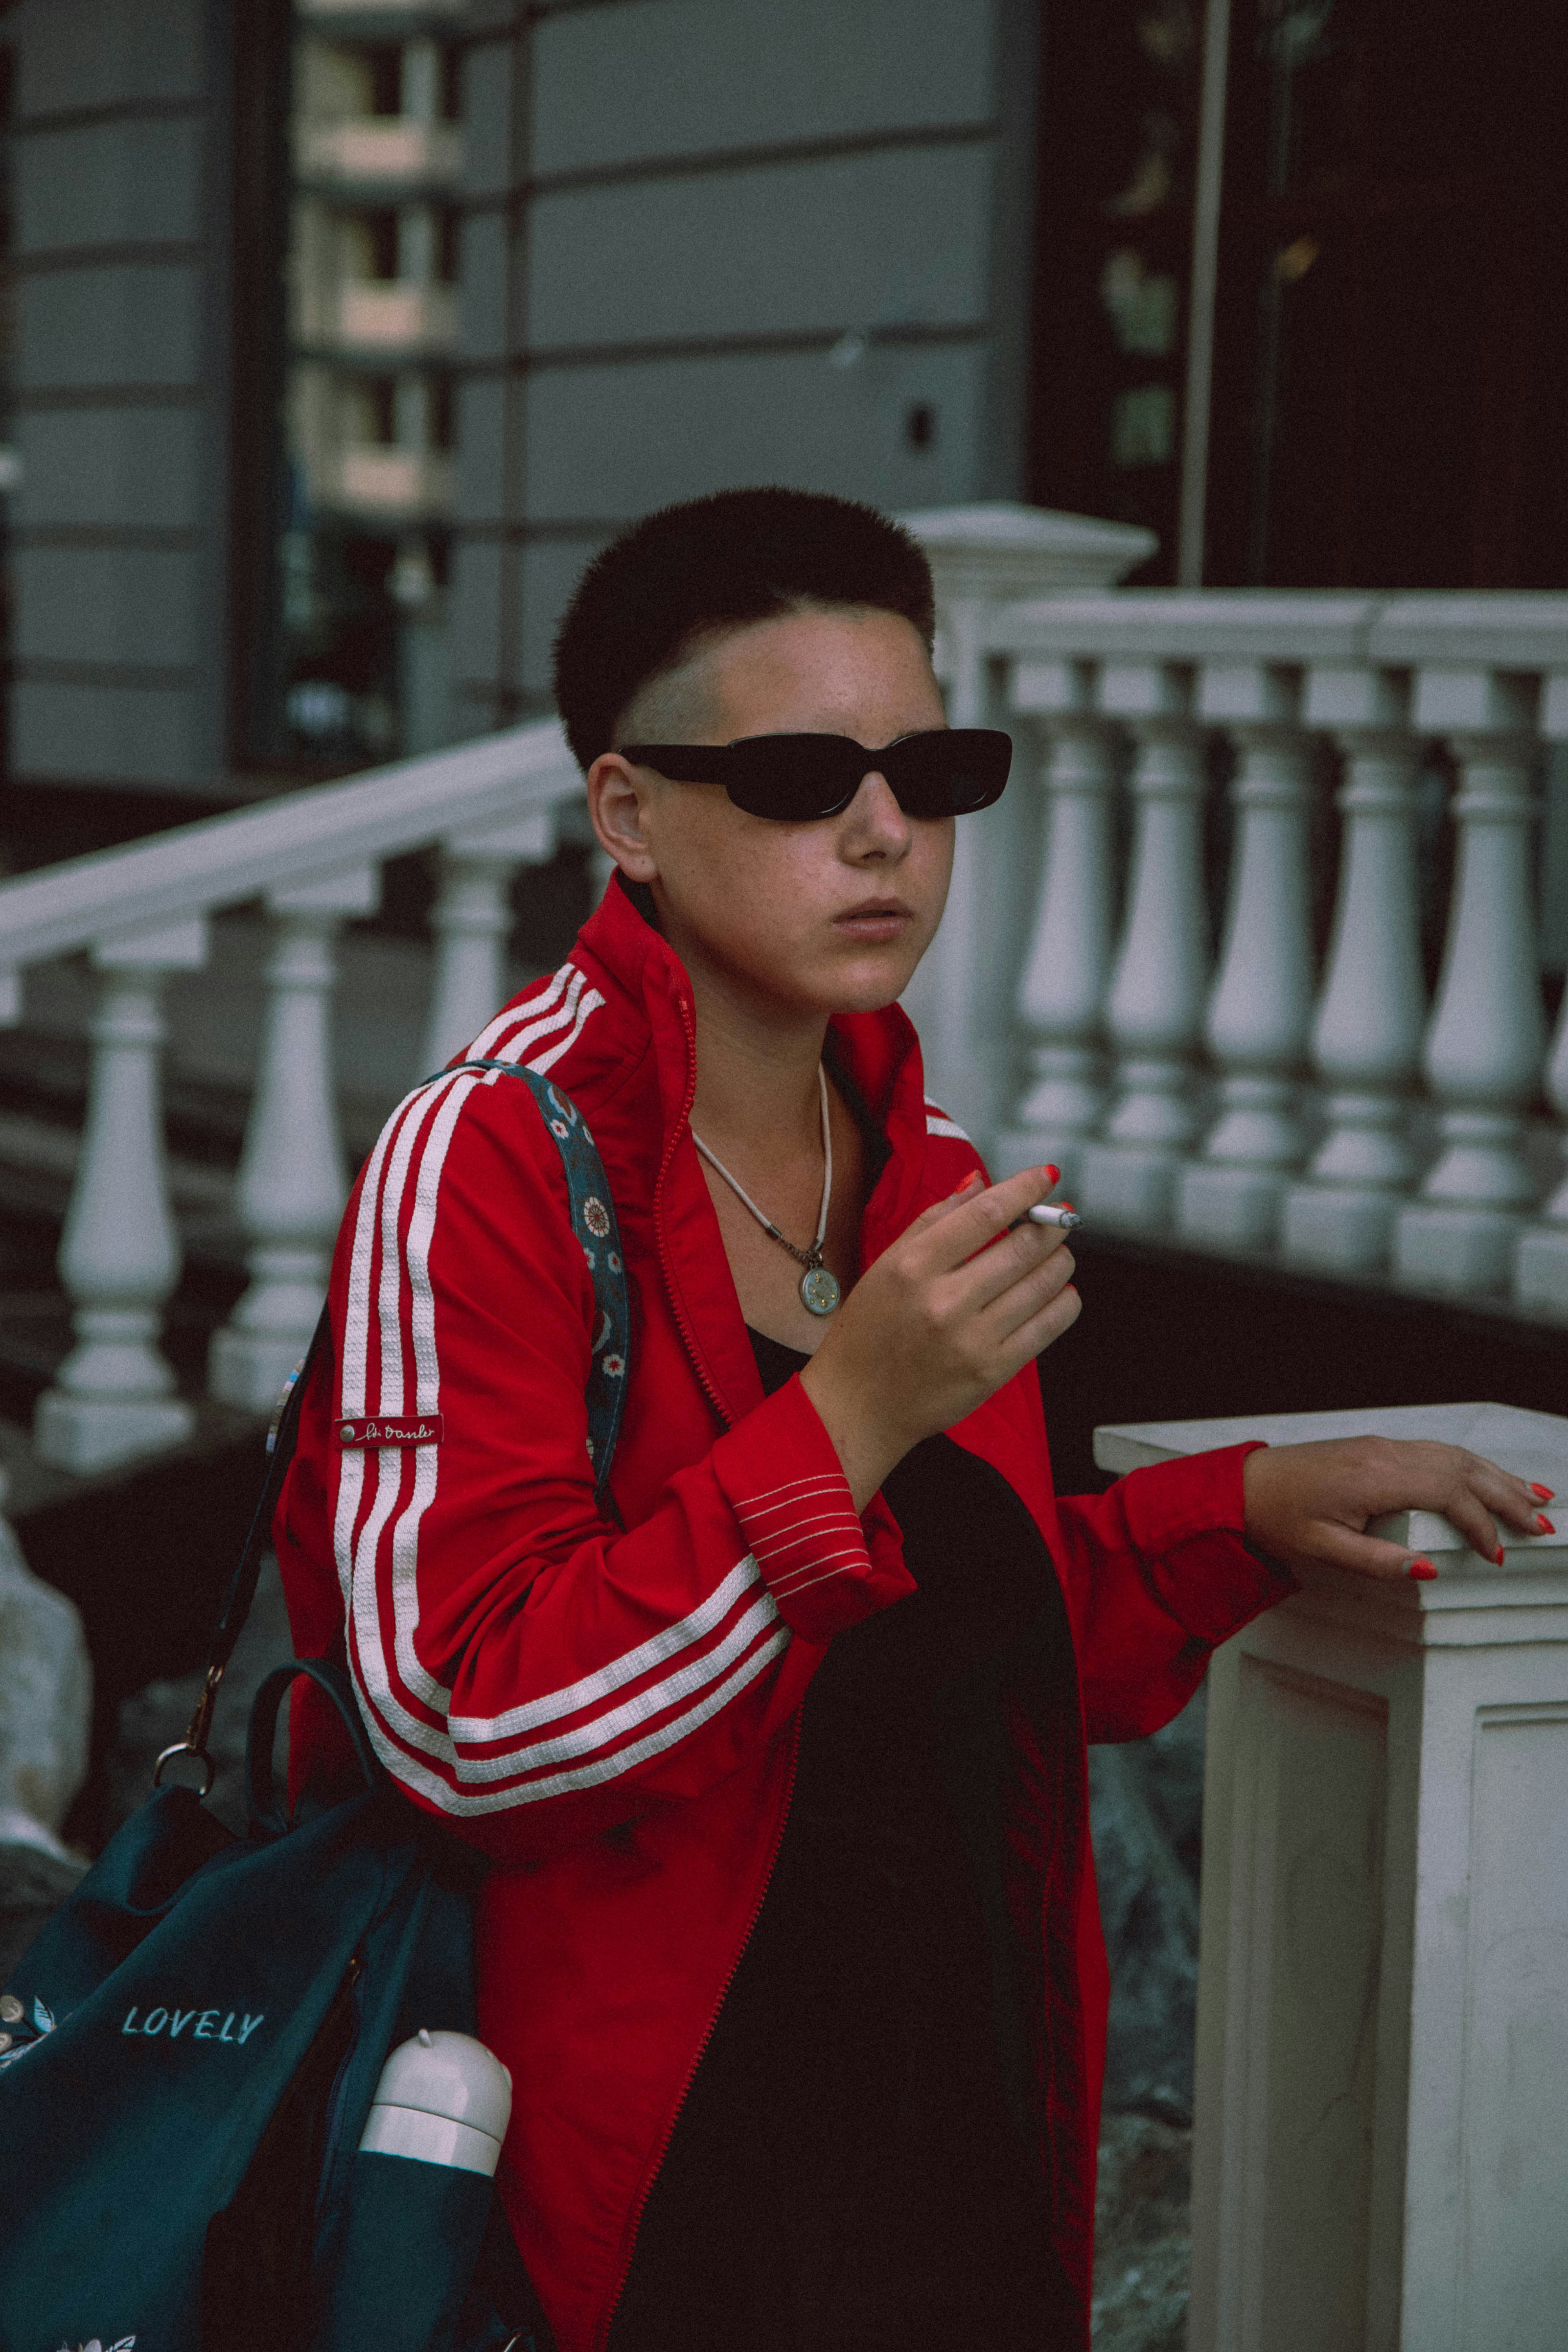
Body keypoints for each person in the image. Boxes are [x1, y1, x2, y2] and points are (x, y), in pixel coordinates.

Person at [274, 487, 1548, 2352]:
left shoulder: (924, 1165)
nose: (884, 833)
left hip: (956, 2141)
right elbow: (470, 1730)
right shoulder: (488, 1159)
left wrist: (1237, 1508)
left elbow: (950, 1639)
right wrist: (848, 1416)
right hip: (643, 2204)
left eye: (932, 772)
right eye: (800, 778)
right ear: (627, 812)